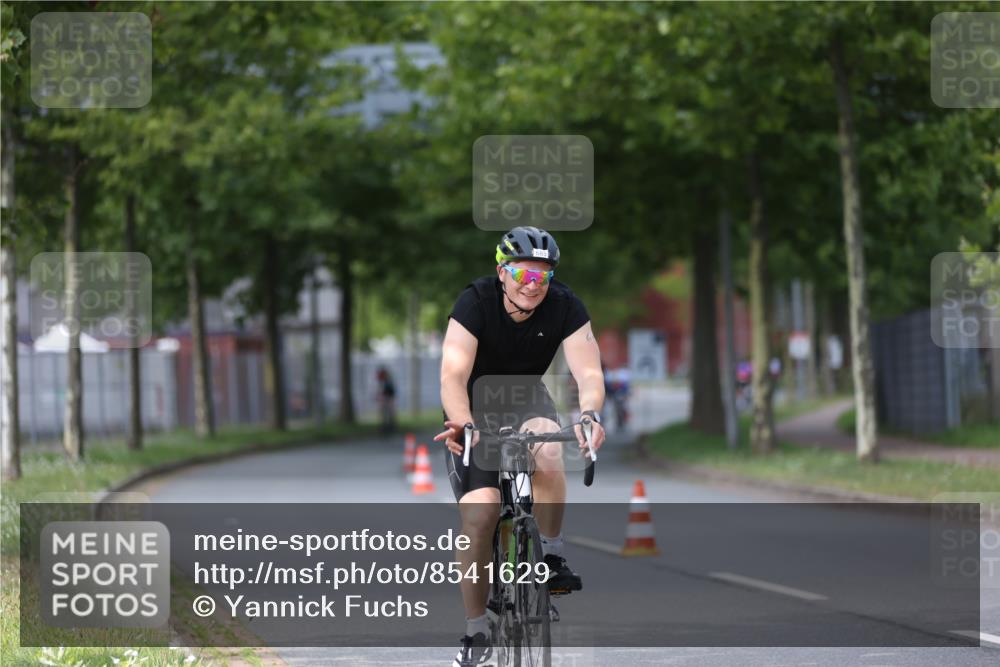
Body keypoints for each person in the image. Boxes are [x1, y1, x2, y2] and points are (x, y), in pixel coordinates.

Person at [434, 226, 606, 667]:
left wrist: (589, 416)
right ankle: (475, 631)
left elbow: (588, 373)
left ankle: (550, 554)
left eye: (542, 277)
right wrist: (463, 423)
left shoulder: (565, 305)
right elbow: (453, 375)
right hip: (472, 409)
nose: (533, 285)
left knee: (549, 451)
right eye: (523, 274)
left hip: (526, 399)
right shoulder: (474, 303)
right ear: (501, 272)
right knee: (482, 513)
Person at [375, 366, 396, 434]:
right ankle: (385, 427)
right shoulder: (382, 382)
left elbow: (390, 391)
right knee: (384, 414)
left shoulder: (387, 382)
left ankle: (389, 427)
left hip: (388, 400)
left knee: (388, 414)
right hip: (384, 400)